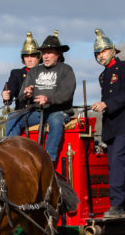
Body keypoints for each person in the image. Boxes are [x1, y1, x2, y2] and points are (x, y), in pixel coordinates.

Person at [89, 29, 125, 217]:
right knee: (114, 166)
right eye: (97, 53)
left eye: (103, 51)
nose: (100, 56)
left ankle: (117, 206)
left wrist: (106, 104)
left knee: (118, 164)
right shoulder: (103, 77)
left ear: (113, 50)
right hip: (111, 126)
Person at [5, 31, 77, 161]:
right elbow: (21, 96)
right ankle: (13, 156)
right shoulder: (34, 71)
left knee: (56, 119)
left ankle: (48, 159)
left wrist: (48, 99)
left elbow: (67, 94)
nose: (46, 56)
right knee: (11, 118)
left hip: (58, 111)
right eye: (44, 53)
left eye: (49, 52)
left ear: (58, 54)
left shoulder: (66, 70)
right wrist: (27, 95)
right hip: (37, 112)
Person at [3, 31, 41, 125]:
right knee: (11, 118)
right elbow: (10, 89)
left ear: (38, 57)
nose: (29, 59)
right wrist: (6, 95)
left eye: (32, 56)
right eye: (26, 56)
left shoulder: (45, 72)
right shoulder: (16, 74)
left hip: (40, 114)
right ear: (23, 58)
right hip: (21, 114)